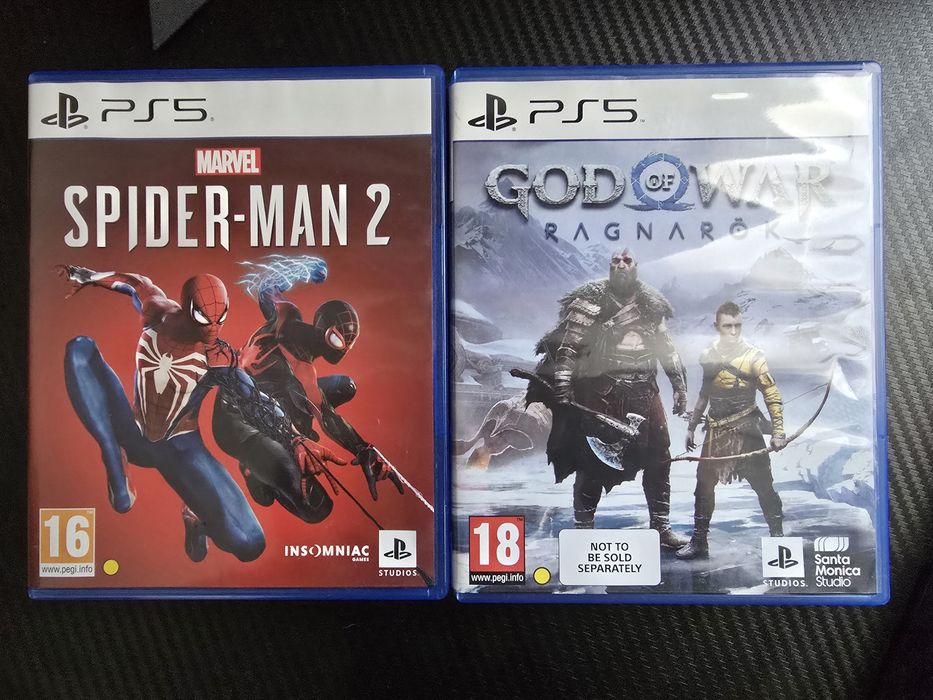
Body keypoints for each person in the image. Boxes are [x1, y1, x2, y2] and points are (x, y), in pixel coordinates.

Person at [59, 265, 341, 563]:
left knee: (251, 544)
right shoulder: (157, 311)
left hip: (180, 449)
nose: (212, 329)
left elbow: (256, 401)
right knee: (80, 348)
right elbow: (134, 282)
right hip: (133, 430)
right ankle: (113, 455)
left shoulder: (218, 357)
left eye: (220, 320)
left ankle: (197, 519)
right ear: (187, 308)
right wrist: (88, 276)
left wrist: (295, 440)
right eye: (205, 319)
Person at [528, 248, 689, 547]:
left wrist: (679, 387)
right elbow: (568, 348)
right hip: (604, 392)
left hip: (646, 391)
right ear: (610, 267)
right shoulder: (589, 303)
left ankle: (661, 528)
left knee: (659, 456)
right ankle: (583, 531)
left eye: (627, 261)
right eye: (616, 261)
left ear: (636, 266)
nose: (621, 265)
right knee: (591, 460)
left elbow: (667, 350)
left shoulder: (651, 306)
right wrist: (563, 383)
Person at [212, 282, 401, 525]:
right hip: (235, 420)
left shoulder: (287, 315)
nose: (343, 349)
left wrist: (363, 449)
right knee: (317, 508)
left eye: (349, 343)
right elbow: (325, 414)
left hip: (273, 404)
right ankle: (253, 469)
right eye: (337, 339)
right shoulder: (299, 363)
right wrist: (360, 448)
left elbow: (267, 292)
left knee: (344, 386)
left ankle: (288, 437)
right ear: (324, 329)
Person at [676, 301, 787, 560]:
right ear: (717, 326)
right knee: (703, 486)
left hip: (748, 431)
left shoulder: (754, 357)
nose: (734, 331)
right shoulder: (709, 356)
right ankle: (699, 542)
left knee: (764, 486)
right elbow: (704, 395)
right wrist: (691, 427)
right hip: (715, 432)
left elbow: (771, 395)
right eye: (728, 326)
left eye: (738, 326)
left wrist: (778, 432)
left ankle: (778, 539)